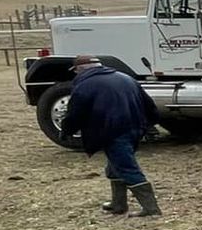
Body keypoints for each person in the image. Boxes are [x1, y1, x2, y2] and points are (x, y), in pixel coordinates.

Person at [62, 56, 161, 217]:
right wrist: (151, 124)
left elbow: (75, 114)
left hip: (111, 130)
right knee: (115, 166)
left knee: (126, 167)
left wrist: (66, 131)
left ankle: (151, 208)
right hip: (135, 128)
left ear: (79, 70)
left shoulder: (84, 86)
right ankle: (118, 204)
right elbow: (148, 104)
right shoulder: (125, 78)